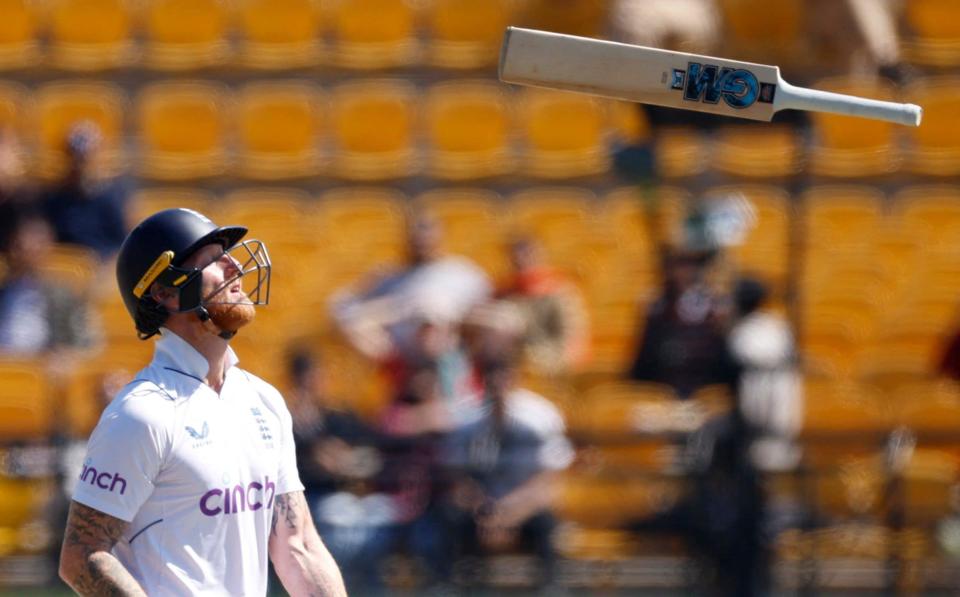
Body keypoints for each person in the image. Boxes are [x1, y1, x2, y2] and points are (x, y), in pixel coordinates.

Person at [58, 208, 345, 596]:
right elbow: (82, 557)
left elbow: (299, 547)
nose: (234, 265)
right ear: (164, 292)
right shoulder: (141, 414)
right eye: (212, 259)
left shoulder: (263, 400)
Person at [441, 327, 575, 590]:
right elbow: (457, 479)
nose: (498, 383)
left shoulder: (540, 417)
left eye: (504, 375)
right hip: (482, 509)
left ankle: (550, 589)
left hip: (525, 507)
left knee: (549, 526)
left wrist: (512, 513)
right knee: (448, 521)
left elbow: (548, 481)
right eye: (492, 376)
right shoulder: (467, 420)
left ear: (515, 377)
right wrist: (486, 513)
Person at [627, 247, 735, 398]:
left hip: (704, 387)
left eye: (694, 266)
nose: (688, 272)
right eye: (682, 266)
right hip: (665, 387)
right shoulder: (658, 308)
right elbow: (644, 363)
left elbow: (723, 362)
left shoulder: (715, 308)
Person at [0, 211, 98, 358]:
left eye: (37, 244)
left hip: (42, 372)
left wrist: (65, 357)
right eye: (19, 245)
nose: (25, 251)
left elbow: (85, 344)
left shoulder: (63, 295)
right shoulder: (4, 291)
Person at [498, 236, 590, 377]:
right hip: (513, 371)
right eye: (516, 258)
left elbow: (571, 342)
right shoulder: (505, 295)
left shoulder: (560, 294)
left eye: (528, 255)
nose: (522, 261)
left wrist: (537, 360)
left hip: (552, 371)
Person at [42, 121, 129, 259]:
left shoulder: (113, 197)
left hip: (102, 267)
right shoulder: (54, 199)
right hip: (67, 269)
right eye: (75, 157)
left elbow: (122, 243)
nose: (80, 165)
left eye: (85, 158)